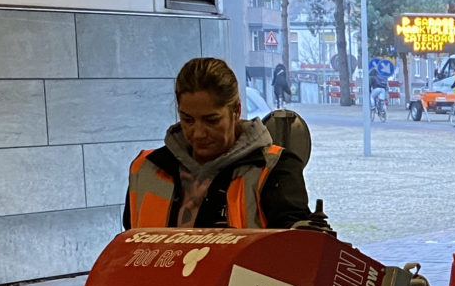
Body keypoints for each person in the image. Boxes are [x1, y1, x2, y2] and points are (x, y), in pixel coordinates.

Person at [122, 57, 327, 231]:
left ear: (236, 111)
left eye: (212, 120)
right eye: (188, 119)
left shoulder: (274, 169)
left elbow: (296, 248)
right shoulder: (146, 168)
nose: (198, 133)